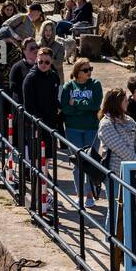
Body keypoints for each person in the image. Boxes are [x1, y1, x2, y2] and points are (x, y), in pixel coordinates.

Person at [97, 86, 136, 271]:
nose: (128, 102)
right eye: (125, 99)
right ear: (116, 102)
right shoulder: (106, 123)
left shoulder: (130, 121)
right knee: (115, 209)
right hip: (115, 174)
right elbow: (119, 148)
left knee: (130, 210)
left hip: (134, 173)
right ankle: (111, 242)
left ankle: (125, 244)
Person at [61, 58, 103, 203]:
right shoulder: (69, 86)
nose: (89, 72)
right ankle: (80, 195)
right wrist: (83, 107)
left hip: (91, 128)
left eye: (90, 69)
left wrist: (76, 105)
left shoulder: (96, 85)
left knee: (91, 162)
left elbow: (95, 105)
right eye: (85, 70)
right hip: (73, 129)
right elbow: (65, 109)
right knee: (78, 163)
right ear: (77, 72)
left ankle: (90, 194)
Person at [22, 47, 62, 192]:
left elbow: (54, 98)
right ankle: (39, 193)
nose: (43, 64)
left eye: (46, 62)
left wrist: (58, 108)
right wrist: (36, 123)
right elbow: (29, 106)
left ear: (51, 62)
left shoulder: (53, 76)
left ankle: (44, 192)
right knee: (38, 160)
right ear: (36, 61)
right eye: (40, 62)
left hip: (50, 123)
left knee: (48, 159)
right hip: (36, 125)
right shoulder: (30, 78)